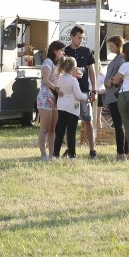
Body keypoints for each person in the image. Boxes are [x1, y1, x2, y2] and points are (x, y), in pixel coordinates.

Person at [64, 26, 98, 159]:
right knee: (69, 122)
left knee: (87, 120)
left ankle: (92, 149)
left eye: (82, 38)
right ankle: (70, 149)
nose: (81, 40)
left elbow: (92, 72)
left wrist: (94, 90)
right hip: (69, 91)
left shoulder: (87, 51)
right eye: (79, 37)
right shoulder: (65, 51)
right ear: (72, 36)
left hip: (84, 90)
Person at [53, 56, 88, 159]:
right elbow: (78, 95)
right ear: (73, 68)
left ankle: (55, 155)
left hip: (62, 107)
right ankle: (72, 155)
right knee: (71, 133)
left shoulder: (60, 78)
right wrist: (87, 97)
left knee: (60, 132)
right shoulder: (73, 80)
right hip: (72, 109)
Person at [37, 41, 65, 161]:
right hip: (46, 97)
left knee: (53, 128)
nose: (63, 53)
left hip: (55, 97)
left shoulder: (59, 63)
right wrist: (56, 88)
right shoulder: (47, 62)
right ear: (55, 51)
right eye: (61, 50)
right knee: (45, 128)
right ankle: (43, 154)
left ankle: (52, 154)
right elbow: (46, 80)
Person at [102, 36, 129, 160]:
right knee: (120, 125)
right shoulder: (118, 58)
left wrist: (112, 82)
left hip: (116, 95)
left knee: (119, 125)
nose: (109, 48)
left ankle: (122, 152)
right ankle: (124, 152)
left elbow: (123, 75)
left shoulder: (122, 59)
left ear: (119, 46)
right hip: (113, 95)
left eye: (112, 46)